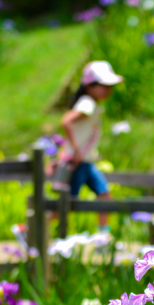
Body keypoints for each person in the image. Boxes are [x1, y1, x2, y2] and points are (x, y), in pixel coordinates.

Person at [55, 60, 123, 227]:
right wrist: (76, 150)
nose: (108, 90)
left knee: (104, 194)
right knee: (68, 203)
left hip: (86, 161)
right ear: (89, 85)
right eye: (103, 85)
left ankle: (103, 234)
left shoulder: (90, 103)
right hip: (80, 161)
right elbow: (66, 122)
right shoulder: (88, 103)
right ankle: (29, 228)